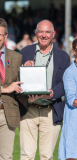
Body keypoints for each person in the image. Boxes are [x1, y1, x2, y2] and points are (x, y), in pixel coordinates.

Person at [20, 20, 70, 160]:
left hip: (51, 110)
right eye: (40, 31)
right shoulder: (25, 52)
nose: (44, 35)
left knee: (46, 156)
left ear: (53, 34)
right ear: (35, 33)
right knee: (26, 155)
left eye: (48, 32)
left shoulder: (63, 56)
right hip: (29, 109)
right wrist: (23, 69)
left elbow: (65, 83)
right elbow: (16, 79)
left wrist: (53, 93)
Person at [0, 18, 27, 159]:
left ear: (6, 36)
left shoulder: (17, 57)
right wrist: (4, 89)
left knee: (6, 157)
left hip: (8, 113)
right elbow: (9, 88)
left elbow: (21, 85)